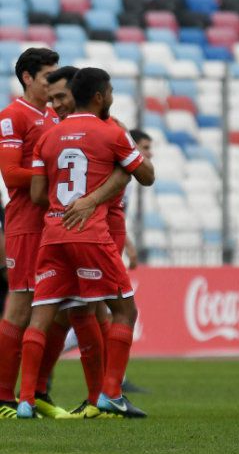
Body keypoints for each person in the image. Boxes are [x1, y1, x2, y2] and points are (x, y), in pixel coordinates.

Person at [16, 67, 155, 419]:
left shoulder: (49, 136)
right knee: (124, 310)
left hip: (52, 234)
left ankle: (26, 400)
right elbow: (147, 176)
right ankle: (110, 394)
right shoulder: (111, 131)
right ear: (99, 96)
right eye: (109, 91)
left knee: (42, 316)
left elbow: (36, 193)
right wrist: (99, 192)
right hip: (90, 233)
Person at [0, 48, 60, 419]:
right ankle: (4, 397)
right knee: (20, 308)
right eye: (47, 77)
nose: (52, 84)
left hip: (55, 224)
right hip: (25, 224)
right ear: (27, 78)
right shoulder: (11, 116)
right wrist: (51, 175)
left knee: (61, 312)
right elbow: (10, 174)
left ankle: (37, 391)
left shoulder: (55, 115)